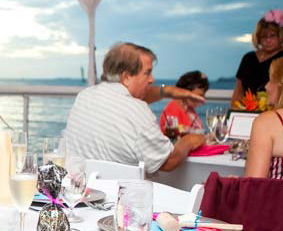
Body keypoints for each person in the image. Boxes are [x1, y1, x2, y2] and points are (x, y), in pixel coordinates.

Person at [63, 42, 206, 174]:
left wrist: (168, 91)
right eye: (147, 73)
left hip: (84, 190)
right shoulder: (138, 110)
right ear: (126, 77)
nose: (152, 80)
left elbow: (130, 100)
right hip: (122, 197)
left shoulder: (84, 96)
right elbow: (167, 162)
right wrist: (189, 140)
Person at [232, 9, 283, 105]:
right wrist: (233, 112)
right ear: (258, 38)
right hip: (247, 111)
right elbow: (238, 91)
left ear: (280, 35)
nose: (268, 40)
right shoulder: (248, 58)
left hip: (278, 112)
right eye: (264, 37)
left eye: (272, 36)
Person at [159, 71, 208, 135]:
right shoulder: (173, 110)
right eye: (200, 95)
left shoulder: (189, 109)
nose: (202, 99)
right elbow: (178, 137)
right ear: (186, 92)